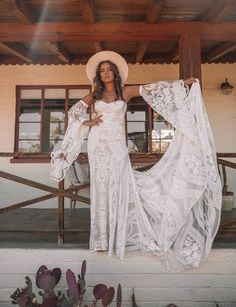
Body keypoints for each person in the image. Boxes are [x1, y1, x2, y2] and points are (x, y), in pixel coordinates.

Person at [50, 51, 222, 270]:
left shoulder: (126, 92)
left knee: (121, 187)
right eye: (101, 71)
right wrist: (87, 121)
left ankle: (119, 237)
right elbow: (74, 112)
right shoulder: (94, 95)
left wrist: (182, 83)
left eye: (108, 69)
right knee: (101, 188)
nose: (105, 73)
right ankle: (101, 240)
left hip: (116, 146)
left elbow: (152, 88)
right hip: (97, 146)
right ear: (98, 75)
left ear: (115, 72)